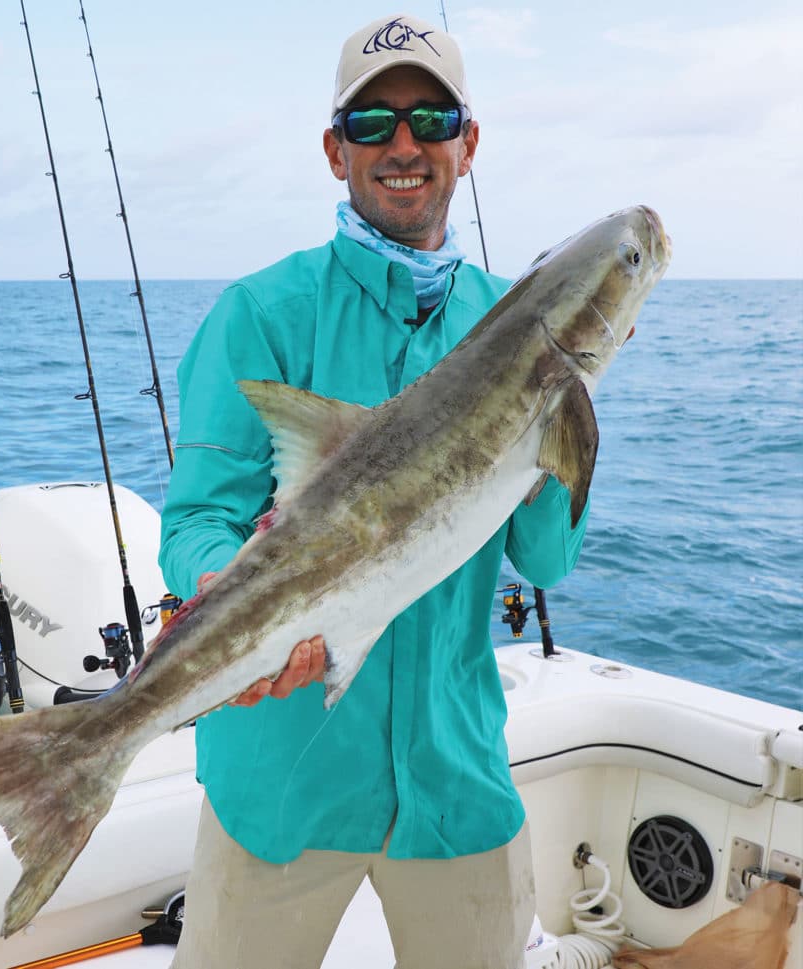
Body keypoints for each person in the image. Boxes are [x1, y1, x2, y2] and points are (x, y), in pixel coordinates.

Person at [158, 13, 589, 969]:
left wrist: (568, 400)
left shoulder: (510, 322)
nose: (404, 145)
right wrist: (238, 593)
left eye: (432, 119)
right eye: (372, 123)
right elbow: (195, 520)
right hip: (282, 778)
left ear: (467, 145)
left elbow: (546, 557)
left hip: (456, 777)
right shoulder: (263, 314)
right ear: (333, 149)